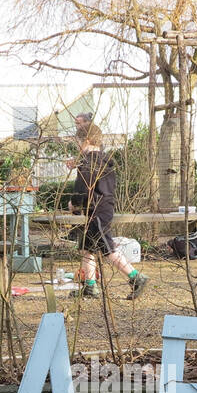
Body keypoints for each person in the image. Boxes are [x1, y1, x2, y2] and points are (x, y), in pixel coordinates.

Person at [66, 124, 149, 300]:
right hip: (102, 207)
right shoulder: (104, 160)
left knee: (107, 248)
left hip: (96, 211)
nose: (77, 146)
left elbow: (82, 189)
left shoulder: (88, 163)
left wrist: (74, 203)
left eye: (78, 142)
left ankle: (136, 277)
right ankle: (90, 286)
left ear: (86, 140)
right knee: (86, 248)